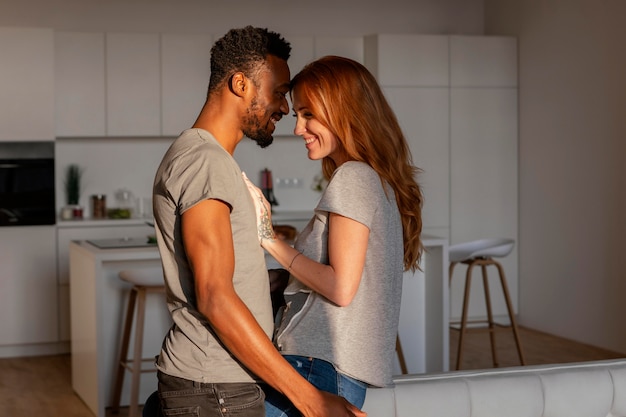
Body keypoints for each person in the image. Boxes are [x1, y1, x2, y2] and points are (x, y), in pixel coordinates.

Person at [151, 27, 366, 417]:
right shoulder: (206, 162)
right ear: (240, 85)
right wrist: (310, 398)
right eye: (280, 92)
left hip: (216, 383)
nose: (285, 109)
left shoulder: (210, 160)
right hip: (215, 390)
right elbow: (215, 297)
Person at [244, 55, 425, 416]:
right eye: (297, 115)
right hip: (334, 371)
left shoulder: (354, 177)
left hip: (317, 366)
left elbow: (341, 287)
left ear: (346, 112)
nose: (298, 129)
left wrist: (266, 236)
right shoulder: (378, 181)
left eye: (309, 114)